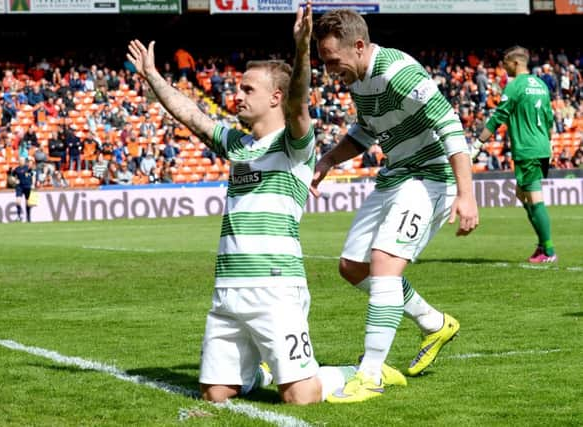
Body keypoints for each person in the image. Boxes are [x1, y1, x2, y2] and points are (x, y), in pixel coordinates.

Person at [126, 2, 405, 405]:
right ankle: (255, 367)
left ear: (275, 97)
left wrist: (303, 48)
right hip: (228, 290)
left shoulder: (295, 145)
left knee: (301, 397)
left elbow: (299, 105)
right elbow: (192, 115)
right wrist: (152, 77)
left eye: (246, 89)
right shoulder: (237, 144)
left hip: (275, 288)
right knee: (215, 395)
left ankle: (361, 372)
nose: (235, 95)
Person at [310, 9, 479, 403]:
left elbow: (450, 125)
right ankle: (434, 323)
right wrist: (328, 161)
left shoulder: (399, 72)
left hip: (429, 176)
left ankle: (371, 374)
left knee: (384, 263)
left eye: (333, 60)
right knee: (352, 266)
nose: (330, 70)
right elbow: (366, 132)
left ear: (358, 46)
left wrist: (466, 194)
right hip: (397, 174)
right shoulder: (358, 80)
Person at [470, 46, 556, 263]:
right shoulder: (541, 85)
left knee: (534, 197)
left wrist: (478, 143)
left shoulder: (515, 86)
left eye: (505, 64)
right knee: (521, 193)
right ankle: (542, 244)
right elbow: (549, 119)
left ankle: (548, 250)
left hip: (527, 149)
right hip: (541, 146)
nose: (503, 68)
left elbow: (498, 116)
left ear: (516, 63)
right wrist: (550, 145)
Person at [13, 157, 36, 222]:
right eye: (20, 160)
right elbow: (12, 176)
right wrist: (15, 180)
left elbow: (33, 175)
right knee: (18, 201)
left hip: (27, 186)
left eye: (22, 160)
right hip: (19, 187)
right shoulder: (16, 169)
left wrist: (33, 184)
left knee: (28, 203)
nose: (21, 161)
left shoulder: (27, 168)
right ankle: (19, 216)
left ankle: (28, 217)